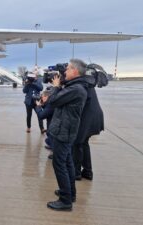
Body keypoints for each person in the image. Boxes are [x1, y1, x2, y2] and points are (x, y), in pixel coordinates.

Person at [46, 59, 89, 211]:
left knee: (59, 164)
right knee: (68, 162)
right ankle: (70, 194)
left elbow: (53, 101)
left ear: (75, 72)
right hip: (66, 130)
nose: (65, 71)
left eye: (68, 69)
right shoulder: (75, 87)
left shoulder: (76, 89)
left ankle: (65, 200)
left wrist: (56, 87)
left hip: (64, 131)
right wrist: (60, 86)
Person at [72, 73, 105, 181]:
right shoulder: (87, 82)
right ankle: (87, 171)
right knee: (84, 143)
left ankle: (76, 172)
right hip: (94, 117)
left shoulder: (81, 84)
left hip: (87, 118)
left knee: (77, 144)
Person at [35, 90, 54, 158]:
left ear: (47, 96)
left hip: (53, 126)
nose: (41, 98)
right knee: (49, 135)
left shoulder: (51, 104)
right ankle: (51, 146)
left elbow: (41, 116)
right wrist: (42, 105)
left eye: (42, 96)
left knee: (50, 135)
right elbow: (47, 109)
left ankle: (53, 152)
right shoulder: (51, 102)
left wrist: (38, 107)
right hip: (52, 124)